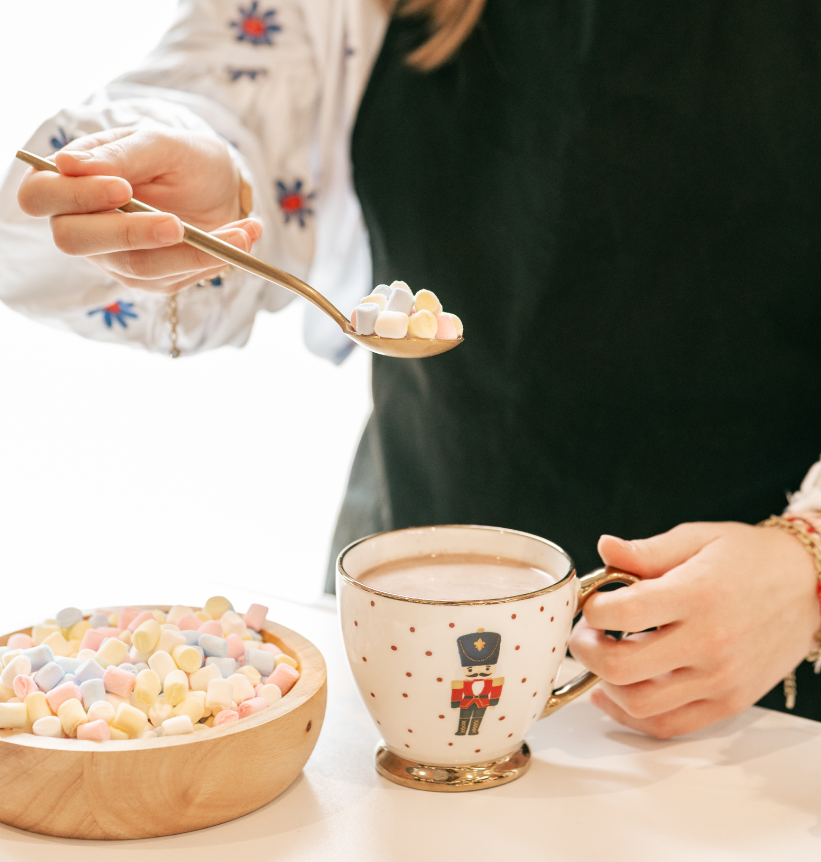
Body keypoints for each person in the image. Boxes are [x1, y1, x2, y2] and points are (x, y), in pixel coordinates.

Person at [1, 0, 820, 738]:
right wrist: (182, 173)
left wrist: (802, 565)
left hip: (766, 689)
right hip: (410, 637)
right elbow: (224, 82)